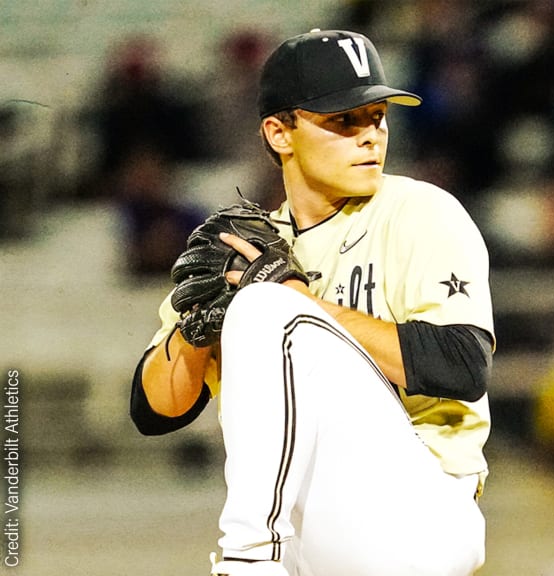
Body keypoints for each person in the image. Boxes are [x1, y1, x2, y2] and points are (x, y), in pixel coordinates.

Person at [129, 29, 494, 576]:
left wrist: (292, 299)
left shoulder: (419, 211)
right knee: (255, 305)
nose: (371, 136)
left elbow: (463, 367)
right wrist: (196, 333)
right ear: (279, 133)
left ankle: (248, 560)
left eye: (377, 116)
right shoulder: (249, 247)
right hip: (313, 530)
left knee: (261, 306)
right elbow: (152, 411)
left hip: (420, 510)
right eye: (345, 120)